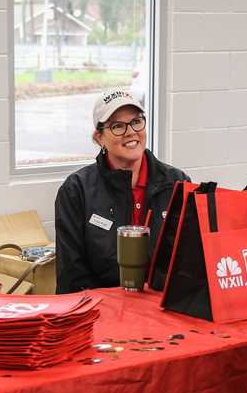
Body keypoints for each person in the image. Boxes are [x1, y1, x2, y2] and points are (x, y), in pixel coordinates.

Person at [55, 88, 190, 294]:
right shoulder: (76, 190)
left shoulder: (177, 184)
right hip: (101, 311)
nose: (130, 132)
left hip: (161, 310)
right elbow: (72, 277)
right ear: (99, 137)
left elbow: (188, 264)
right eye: (117, 126)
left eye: (136, 121)